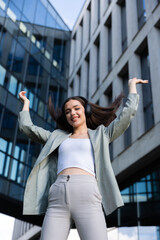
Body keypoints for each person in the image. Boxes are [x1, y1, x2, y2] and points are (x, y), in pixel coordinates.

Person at [18, 78, 148, 240]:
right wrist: (25, 104)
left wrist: (132, 88)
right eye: (67, 111)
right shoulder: (57, 137)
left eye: (76, 108)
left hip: (87, 195)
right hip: (57, 197)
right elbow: (27, 128)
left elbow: (126, 116)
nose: (72, 113)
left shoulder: (101, 134)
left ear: (85, 110)